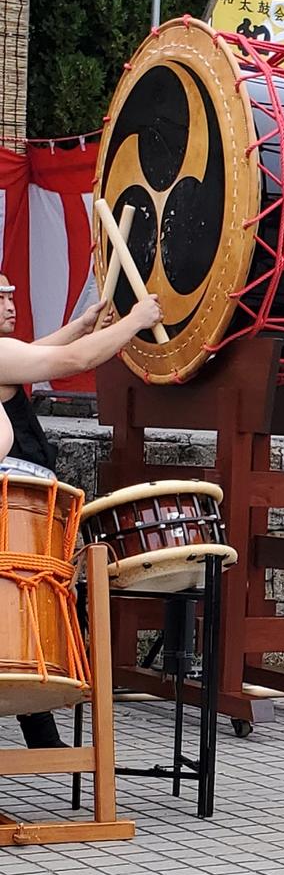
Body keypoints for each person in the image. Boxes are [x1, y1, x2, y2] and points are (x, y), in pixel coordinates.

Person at [0, 274, 163, 745]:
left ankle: (42, 729)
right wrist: (136, 321)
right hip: (19, 505)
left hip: (23, 503)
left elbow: (40, 351)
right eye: (1, 297)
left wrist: (83, 324)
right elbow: (68, 361)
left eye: (14, 293)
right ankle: (43, 727)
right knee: (30, 608)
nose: (12, 303)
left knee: (23, 610)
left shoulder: (8, 355)